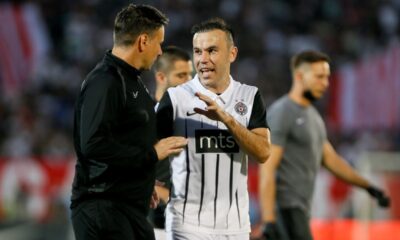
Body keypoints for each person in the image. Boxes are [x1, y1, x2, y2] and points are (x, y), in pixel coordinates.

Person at [71, 4, 188, 240]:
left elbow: (123, 141)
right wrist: (151, 154)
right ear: (143, 41)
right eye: (158, 42)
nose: (159, 52)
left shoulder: (131, 81)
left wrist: (140, 182)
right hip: (103, 208)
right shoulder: (105, 81)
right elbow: (93, 145)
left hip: (126, 207)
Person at [156, 18, 271, 240]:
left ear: (232, 54)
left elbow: (263, 152)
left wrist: (226, 118)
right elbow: (149, 148)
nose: (203, 59)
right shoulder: (175, 98)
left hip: (235, 226)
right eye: (197, 52)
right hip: (186, 224)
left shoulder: (250, 96)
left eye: (212, 51)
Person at [259, 50, 390, 240]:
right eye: (319, 77)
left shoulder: (313, 117)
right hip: (285, 209)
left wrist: (368, 186)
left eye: (327, 77)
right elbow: (267, 169)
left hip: (301, 208)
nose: (325, 83)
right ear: (299, 76)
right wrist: (269, 220)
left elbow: (331, 159)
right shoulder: (282, 112)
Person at [151, 46, 193, 239]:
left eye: (190, 75)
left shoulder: (191, 120)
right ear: (161, 77)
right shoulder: (144, 118)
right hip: (156, 226)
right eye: (181, 75)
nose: (189, 82)